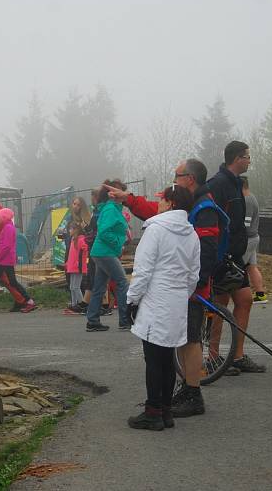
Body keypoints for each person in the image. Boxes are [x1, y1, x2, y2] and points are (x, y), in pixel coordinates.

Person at [105, 158, 221, 418]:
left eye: (177, 175)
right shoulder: (186, 219)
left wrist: (193, 289)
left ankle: (184, 397)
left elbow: (205, 254)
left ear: (189, 178)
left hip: (184, 293)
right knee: (171, 350)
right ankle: (166, 406)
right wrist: (128, 198)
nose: (174, 178)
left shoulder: (204, 209)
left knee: (183, 345)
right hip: (183, 291)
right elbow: (153, 210)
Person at [126, 185, 200, 431]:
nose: (157, 203)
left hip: (156, 299)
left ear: (171, 203)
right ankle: (165, 410)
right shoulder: (191, 234)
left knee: (153, 359)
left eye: (162, 199)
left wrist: (131, 300)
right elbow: (193, 276)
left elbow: (143, 270)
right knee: (167, 357)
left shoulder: (155, 230)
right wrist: (181, 295)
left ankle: (153, 411)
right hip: (177, 301)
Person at [205, 141, 266, 373]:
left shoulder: (237, 184)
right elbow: (212, 220)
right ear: (236, 159)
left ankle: (237, 356)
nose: (250, 161)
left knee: (245, 300)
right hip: (221, 258)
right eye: (247, 157)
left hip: (236, 258)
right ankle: (212, 358)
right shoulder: (218, 184)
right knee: (220, 305)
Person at [85, 179, 130, 332]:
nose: (121, 193)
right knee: (122, 282)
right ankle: (125, 320)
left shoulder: (112, 208)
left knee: (99, 287)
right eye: (119, 191)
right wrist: (119, 243)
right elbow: (104, 232)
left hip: (101, 251)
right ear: (111, 195)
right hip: (106, 252)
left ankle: (92, 320)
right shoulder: (111, 209)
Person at [242, 177, 268, 304]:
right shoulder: (252, 197)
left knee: (239, 267)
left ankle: (240, 295)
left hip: (248, 239)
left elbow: (245, 223)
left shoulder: (247, 200)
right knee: (252, 267)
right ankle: (260, 294)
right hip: (254, 237)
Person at [63, 222, 88, 314]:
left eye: (71, 229)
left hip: (78, 267)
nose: (69, 230)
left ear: (76, 230)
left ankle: (82, 306)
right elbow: (72, 254)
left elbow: (85, 250)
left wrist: (79, 262)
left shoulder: (81, 239)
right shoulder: (73, 239)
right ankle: (74, 305)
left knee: (76, 287)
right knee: (72, 287)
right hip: (73, 266)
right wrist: (68, 263)